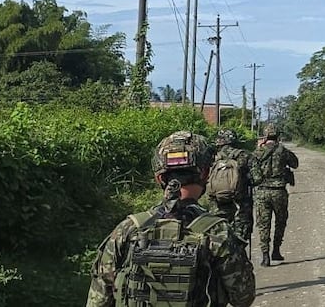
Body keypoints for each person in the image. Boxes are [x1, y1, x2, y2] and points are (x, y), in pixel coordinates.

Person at [87, 130, 255, 307]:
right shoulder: (217, 232)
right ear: (205, 174)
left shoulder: (127, 230)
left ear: (159, 178)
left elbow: (98, 300)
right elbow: (243, 297)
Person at [251, 124, 299, 267]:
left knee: (263, 225)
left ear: (265, 136)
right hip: (279, 191)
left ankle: (265, 256)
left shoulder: (258, 152)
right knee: (280, 221)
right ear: (278, 136)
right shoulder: (283, 151)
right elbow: (295, 164)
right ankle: (276, 250)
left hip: (262, 192)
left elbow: (251, 168)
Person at [204, 129, 254, 250]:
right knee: (240, 238)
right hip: (240, 204)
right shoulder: (244, 155)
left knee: (218, 238)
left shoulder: (211, 158)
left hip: (216, 204)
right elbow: (257, 178)